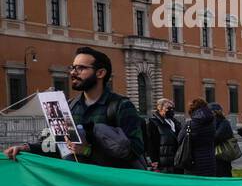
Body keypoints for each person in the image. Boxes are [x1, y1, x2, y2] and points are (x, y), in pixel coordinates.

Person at [5, 46, 146, 167]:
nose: (73, 72)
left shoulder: (122, 106)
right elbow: (55, 144)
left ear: (100, 73)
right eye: (73, 68)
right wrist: (25, 148)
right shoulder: (68, 106)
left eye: (80, 68)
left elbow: (135, 150)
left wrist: (88, 151)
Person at [179, 98, 218, 177]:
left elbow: (180, 139)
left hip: (193, 161)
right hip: (210, 159)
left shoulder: (190, 124)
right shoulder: (211, 123)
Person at [146, 98, 182, 172]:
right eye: (168, 108)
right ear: (160, 108)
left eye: (172, 108)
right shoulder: (153, 123)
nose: (171, 110)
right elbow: (150, 143)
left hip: (176, 161)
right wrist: (154, 160)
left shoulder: (176, 123)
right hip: (162, 163)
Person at [210, 103, 238, 177]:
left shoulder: (223, 123)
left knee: (222, 171)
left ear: (214, 112)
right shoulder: (222, 122)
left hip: (222, 153)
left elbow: (217, 137)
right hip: (221, 154)